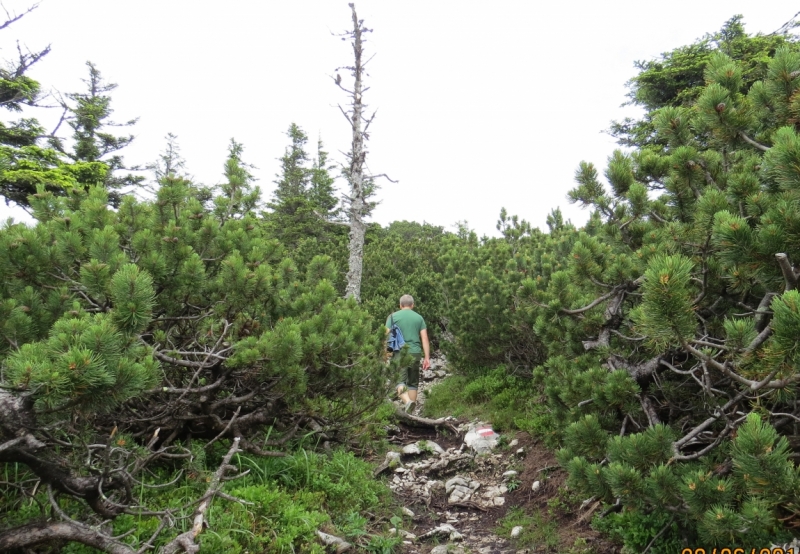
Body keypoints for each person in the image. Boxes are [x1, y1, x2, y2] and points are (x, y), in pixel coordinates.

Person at [386, 294, 430, 413]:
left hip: (400, 352)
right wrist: (427, 358)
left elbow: (385, 335)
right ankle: (412, 414)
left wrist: (383, 353)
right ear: (412, 305)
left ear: (400, 305)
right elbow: (424, 338)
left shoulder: (392, 317)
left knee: (399, 380)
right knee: (412, 382)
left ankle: (407, 402)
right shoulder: (419, 318)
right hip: (415, 352)